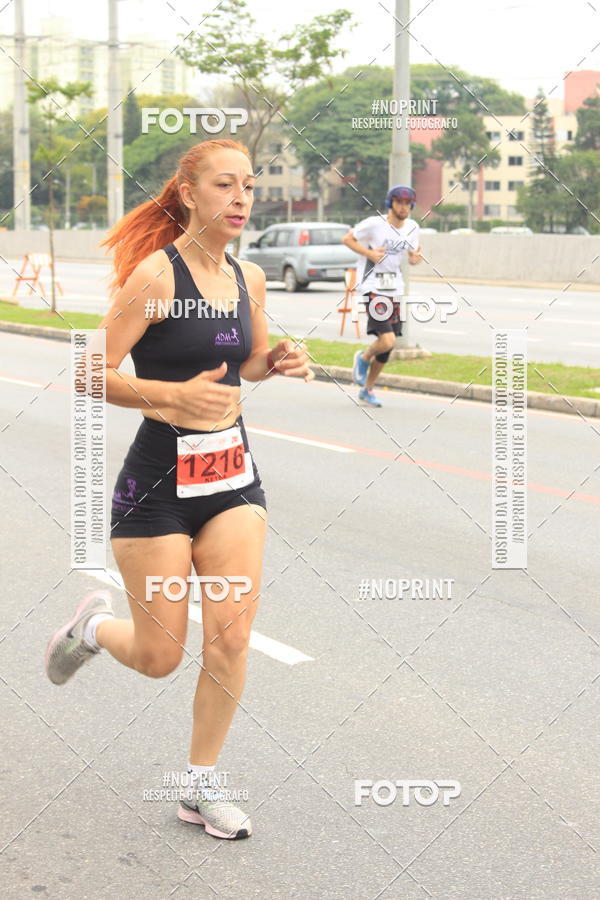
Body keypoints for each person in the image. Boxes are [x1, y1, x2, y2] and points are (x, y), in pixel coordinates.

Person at [44, 138, 313, 840]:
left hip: (232, 480)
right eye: (226, 185)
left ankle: (201, 785)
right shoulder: (154, 279)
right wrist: (170, 396)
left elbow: (246, 363)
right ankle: (92, 629)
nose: (242, 199)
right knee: (162, 656)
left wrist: (275, 361)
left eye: (249, 186)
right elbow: (89, 374)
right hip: (156, 488)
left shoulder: (248, 277)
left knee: (231, 636)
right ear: (190, 193)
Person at [342, 185, 422, 407]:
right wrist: (368, 253)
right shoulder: (375, 224)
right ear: (391, 204)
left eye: (408, 204)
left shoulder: (413, 227)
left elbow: (415, 251)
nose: (404, 207)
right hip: (371, 286)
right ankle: (364, 357)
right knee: (387, 339)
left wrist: (416, 258)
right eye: (399, 203)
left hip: (395, 288)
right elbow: (347, 239)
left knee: (388, 346)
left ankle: (367, 390)